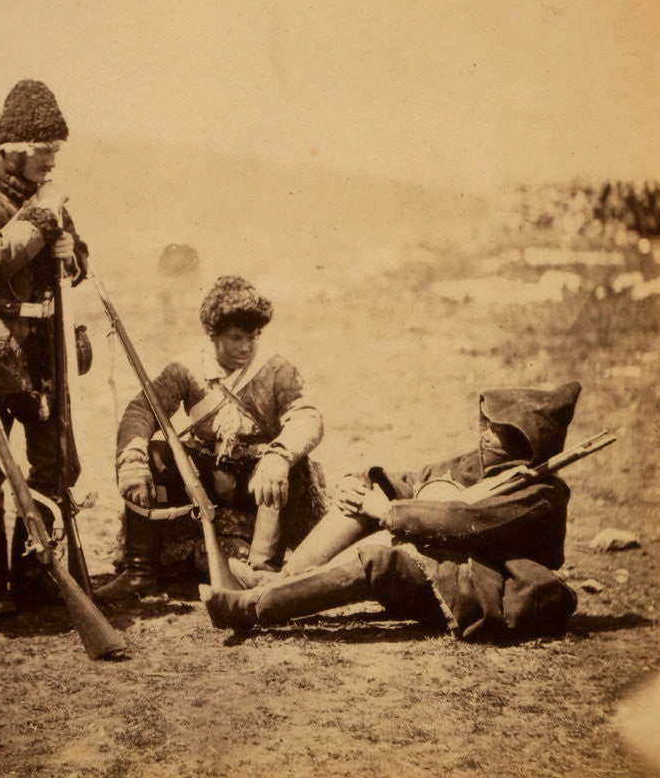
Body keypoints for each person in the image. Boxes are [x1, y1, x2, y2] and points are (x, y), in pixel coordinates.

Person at [200, 382, 582, 643]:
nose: (484, 434)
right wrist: (364, 483)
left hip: (474, 588)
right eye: (485, 423)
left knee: (381, 557)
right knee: (362, 502)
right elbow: (416, 480)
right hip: (441, 558)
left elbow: (464, 519)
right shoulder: (476, 464)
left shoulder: (539, 493)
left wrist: (389, 513)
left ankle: (254, 608)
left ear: (527, 440)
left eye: (499, 430)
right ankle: (281, 580)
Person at [96, 275, 326, 600]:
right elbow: (142, 410)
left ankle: (260, 576)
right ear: (213, 333)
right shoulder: (186, 368)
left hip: (257, 476)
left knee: (287, 466)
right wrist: (132, 458)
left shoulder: (277, 370)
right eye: (235, 337)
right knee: (157, 452)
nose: (245, 347)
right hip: (204, 474)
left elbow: (307, 415)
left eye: (252, 336)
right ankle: (139, 574)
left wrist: (279, 455)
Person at [0, 79, 87, 614]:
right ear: (13, 146)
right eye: (44, 149)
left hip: (46, 348)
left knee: (53, 465)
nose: (52, 160)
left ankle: (37, 573)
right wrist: (45, 216)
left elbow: (74, 261)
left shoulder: (43, 195)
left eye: (56, 149)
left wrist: (74, 253)